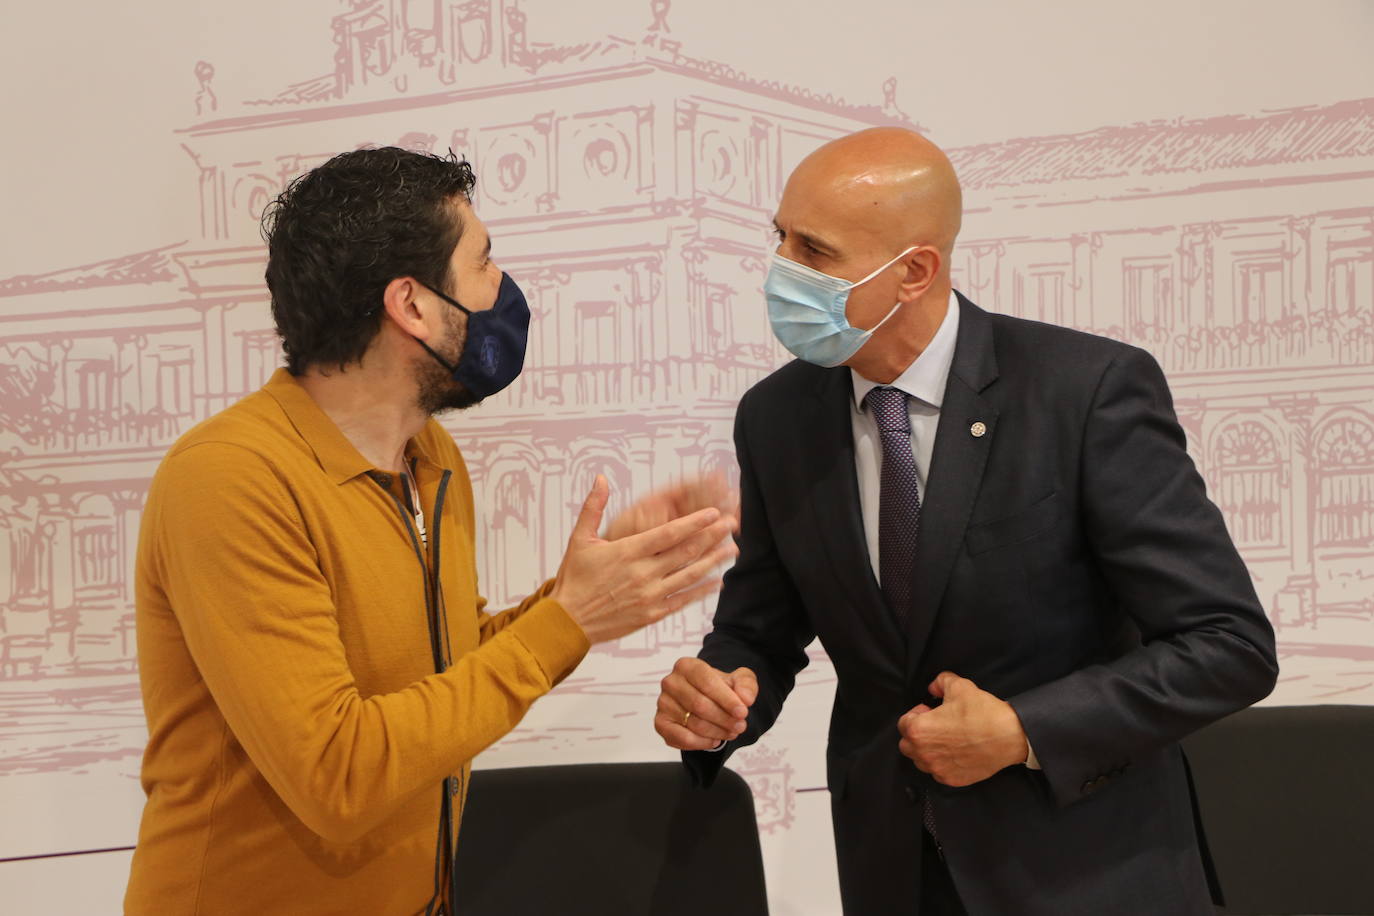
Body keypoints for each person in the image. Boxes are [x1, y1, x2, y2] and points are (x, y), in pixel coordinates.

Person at [654, 128, 1278, 915]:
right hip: (893, 869)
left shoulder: (1084, 392)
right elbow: (762, 631)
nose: (780, 270)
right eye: (777, 237)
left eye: (813, 250)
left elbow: (1229, 645)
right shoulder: (776, 418)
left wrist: (1022, 730)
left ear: (914, 271)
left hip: (1090, 874)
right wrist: (721, 696)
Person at [124, 147, 738, 915]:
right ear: (410, 305)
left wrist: (586, 589)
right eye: (484, 262)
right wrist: (566, 620)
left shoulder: (429, 457)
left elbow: (446, 671)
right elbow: (338, 775)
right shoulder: (230, 478)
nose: (503, 289)